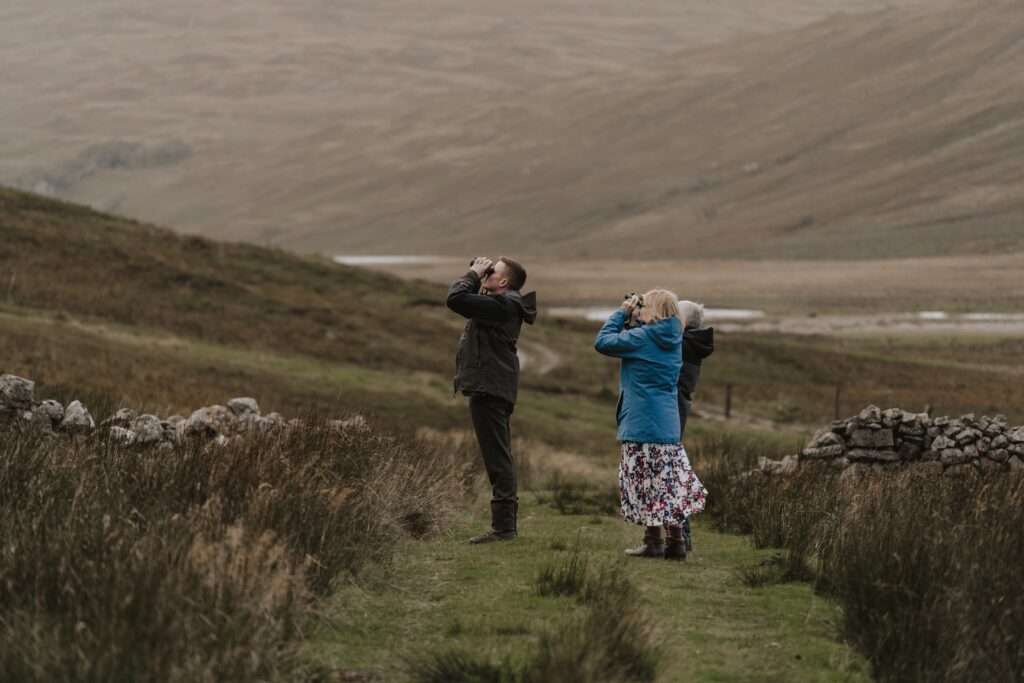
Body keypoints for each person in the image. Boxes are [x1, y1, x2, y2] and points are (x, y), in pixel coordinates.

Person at [594, 290, 707, 561]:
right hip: (667, 424)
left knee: (646, 483)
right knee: (666, 484)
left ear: (653, 311)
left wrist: (623, 312)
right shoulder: (675, 338)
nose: (640, 309)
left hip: (643, 421)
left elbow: (603, 342)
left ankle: (653, 542)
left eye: (644, 306)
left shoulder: (644, 338)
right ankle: (675, 543)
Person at [446, 256, 537, 544]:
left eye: (492, 271)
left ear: (505, 281)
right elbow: (467, 302)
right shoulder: (501, 303)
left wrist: (472, 274)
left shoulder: (505, 304)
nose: (487, 273)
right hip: (491, 385)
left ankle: (503, 528)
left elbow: (456, 299)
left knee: (498, 457)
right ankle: (504, 526)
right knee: (498, 454)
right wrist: (479, 276)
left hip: (491, 387)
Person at [677, 300, 714, 552]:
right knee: (673, 472)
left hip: (672, 415)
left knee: (672, 474)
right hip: (677, 412)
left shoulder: (683, 345)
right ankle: (680, 534)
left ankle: (681, 533)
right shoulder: (692, 343)